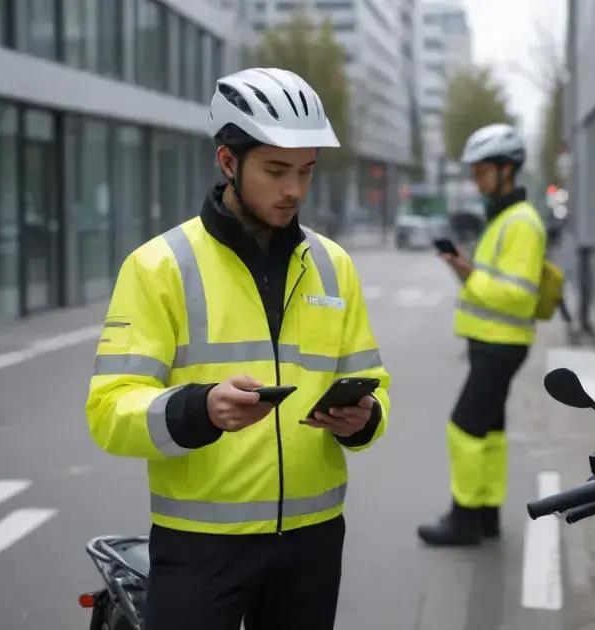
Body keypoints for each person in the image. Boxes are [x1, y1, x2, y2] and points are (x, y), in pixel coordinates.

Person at [85, 67, 391, 629]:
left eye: (306, 171)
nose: (294, 190)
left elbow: (373, 380)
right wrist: (199, 408)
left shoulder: (333, 265)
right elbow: (109, 410)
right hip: (201, 546)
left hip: (313, 541)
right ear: (228, 161)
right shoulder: (159, 266)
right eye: (276, 170)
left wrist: (364, 418)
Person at [418, 123, 546, 546]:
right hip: (491, 341)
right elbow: (497, 285)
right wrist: (463, 269)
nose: (476, 180)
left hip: (500, 343)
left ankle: (465, 518)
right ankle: (487, 514)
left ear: (507, 169)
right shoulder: (505, 218)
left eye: (482, 171)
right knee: (489, 429)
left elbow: (519, 295)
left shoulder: (521, 223)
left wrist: (469, 273)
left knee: (464, 426)